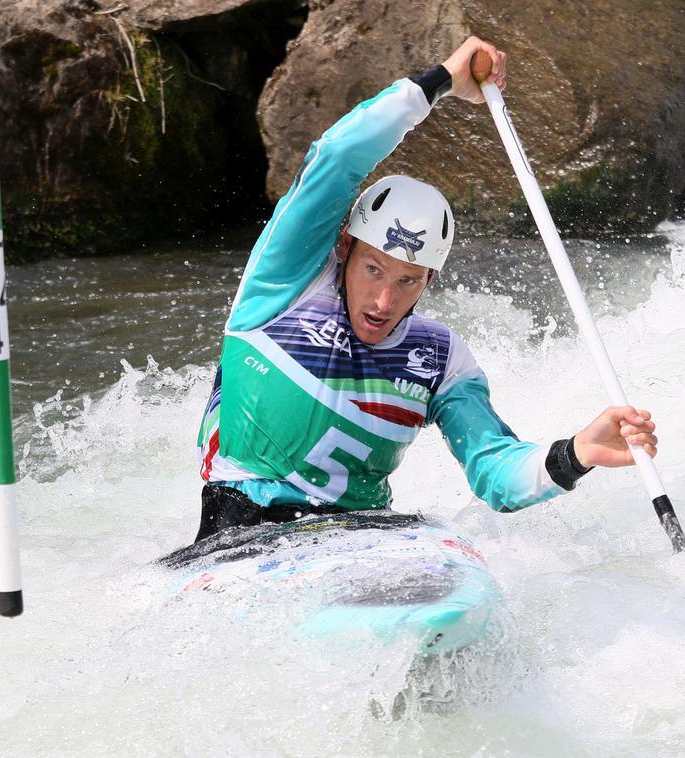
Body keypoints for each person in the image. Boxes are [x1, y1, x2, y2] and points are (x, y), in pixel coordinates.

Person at [193, 36, 657, 542]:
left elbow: (495, 473)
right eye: (374, 269)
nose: (384, 301)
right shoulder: (284, 284)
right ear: (346, 247)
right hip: (240, 531)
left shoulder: (439, 357)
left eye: (408, 281)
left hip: (366, 536)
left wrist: (577, 453)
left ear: (430, 279)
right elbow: (337, 157)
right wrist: (441, 82)